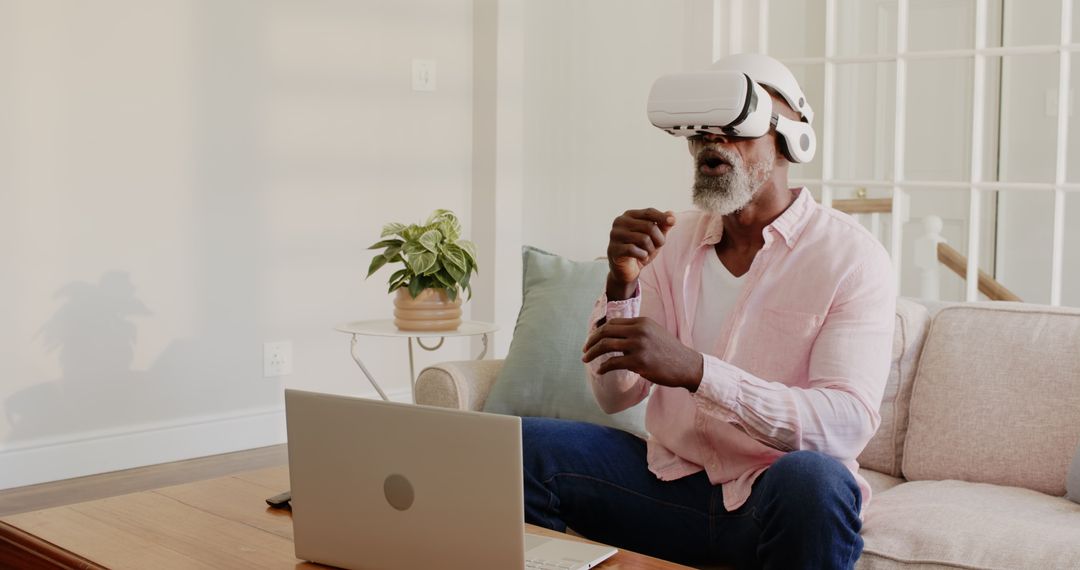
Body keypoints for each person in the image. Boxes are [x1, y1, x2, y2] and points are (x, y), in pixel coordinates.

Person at [522, 53, 895, 569]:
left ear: (790, 140)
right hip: (668, 488)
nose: (713, 144)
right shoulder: (669, 245)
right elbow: (613, 397)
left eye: (737, 129)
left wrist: (697, 372)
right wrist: (620, 283)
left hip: (771, 499)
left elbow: (847, 424)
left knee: (815, 480)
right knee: (519, 448)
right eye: (701, 131)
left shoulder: (851, 258)